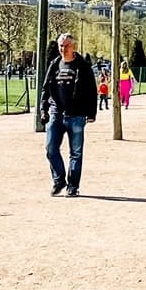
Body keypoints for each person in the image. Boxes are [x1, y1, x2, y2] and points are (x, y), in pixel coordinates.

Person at [41, 33, 98, 197]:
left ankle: (73, 186)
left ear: (73, 46)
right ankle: (59, 180)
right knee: (51, 148)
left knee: (76, 153)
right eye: (60, 45)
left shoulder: (82, 66)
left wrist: (91, 113)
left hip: (77, 114)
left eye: (66, 45)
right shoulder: (54, 65)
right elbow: (46, 88)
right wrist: (43, 110)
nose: (62, 48)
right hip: (56, 113)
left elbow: (91, 90)